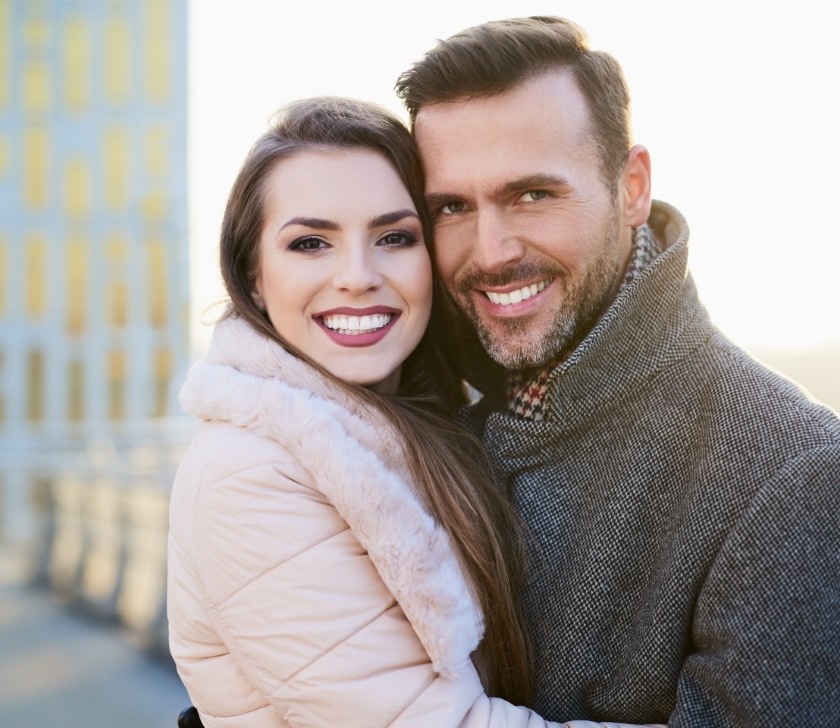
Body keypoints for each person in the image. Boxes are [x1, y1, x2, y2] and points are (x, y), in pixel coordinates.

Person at [393, 15, 840, 727]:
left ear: (632, 188)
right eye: (452, 206)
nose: (491, 250)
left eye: (532, 194)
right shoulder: (410, 425)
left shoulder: (791, 472)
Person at [167, 96, 648, 728]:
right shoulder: (249, 473)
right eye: (311, 243)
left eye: (394, 237)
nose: (358, 276)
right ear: (253, 275)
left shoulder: (418, 426)